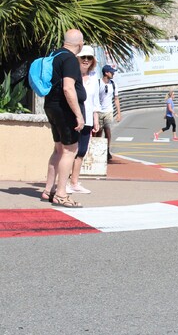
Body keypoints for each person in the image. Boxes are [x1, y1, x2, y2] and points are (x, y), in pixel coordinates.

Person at [42, 29, 86, 208]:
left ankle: (48, 190)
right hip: (64, 109)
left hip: (51, 106)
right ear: (80, 44)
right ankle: (61, 194)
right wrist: (78, 114)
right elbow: (68, 88)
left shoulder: (55, 55)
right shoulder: (69, 59)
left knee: (58, 149)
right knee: (69, 151)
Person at [67, 45, 100, 194]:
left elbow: (95, 101)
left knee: (81, 151)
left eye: (89, 58)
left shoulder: (94, 78)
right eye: (83, 57)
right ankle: (64, 182)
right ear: (78, 59)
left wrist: (96, 119)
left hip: (87, 120)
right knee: (69, 151)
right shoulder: (71, 75)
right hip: (73, 118)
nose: (86, 60)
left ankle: (74, 182)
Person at [96, 64, 121, 161]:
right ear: (106, 73)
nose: (113, 74)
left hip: (108, 111)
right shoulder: (98, 83)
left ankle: (107, 150)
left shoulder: (113, 84)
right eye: (111, 72)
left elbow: (116, 98)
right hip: (98, 111)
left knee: (108, 130)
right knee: (98, 131)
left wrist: (119, 113)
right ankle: (97, 150)